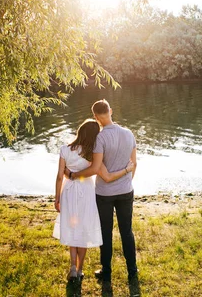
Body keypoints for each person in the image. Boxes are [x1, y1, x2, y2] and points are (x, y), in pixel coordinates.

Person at [67, 99, 138, 286]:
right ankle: (132, 271)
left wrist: (74, 175)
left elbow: (96, 169)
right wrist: (126, 182)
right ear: (111, 111)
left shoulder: (100, 138)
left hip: (105, 194)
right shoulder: (129, 133)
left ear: (96, 117)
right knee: (127, 231)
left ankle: (106, 272)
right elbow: (134, 164)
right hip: (126, 191)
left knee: (105, 232)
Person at [53, 119, 134, 282]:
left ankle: (73, 268)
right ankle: (81, 269)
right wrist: (127, 171)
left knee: (72, 226)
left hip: (69, 191)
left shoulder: (64, 149)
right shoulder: (92, 154)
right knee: (82, 229)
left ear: (80, 131)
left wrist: (57, 197)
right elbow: (100, 172)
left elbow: (59, 176)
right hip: (87, 191)